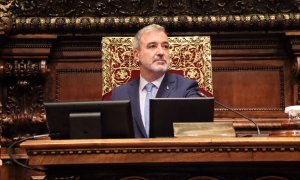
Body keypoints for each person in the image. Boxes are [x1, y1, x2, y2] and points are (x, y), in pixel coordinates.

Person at [111, 24, 199, 138]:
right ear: (136, 55)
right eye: (152, 46)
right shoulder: (120, 94)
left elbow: (198, 127)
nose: (161, 52)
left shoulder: (186, 88)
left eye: (165, 46)